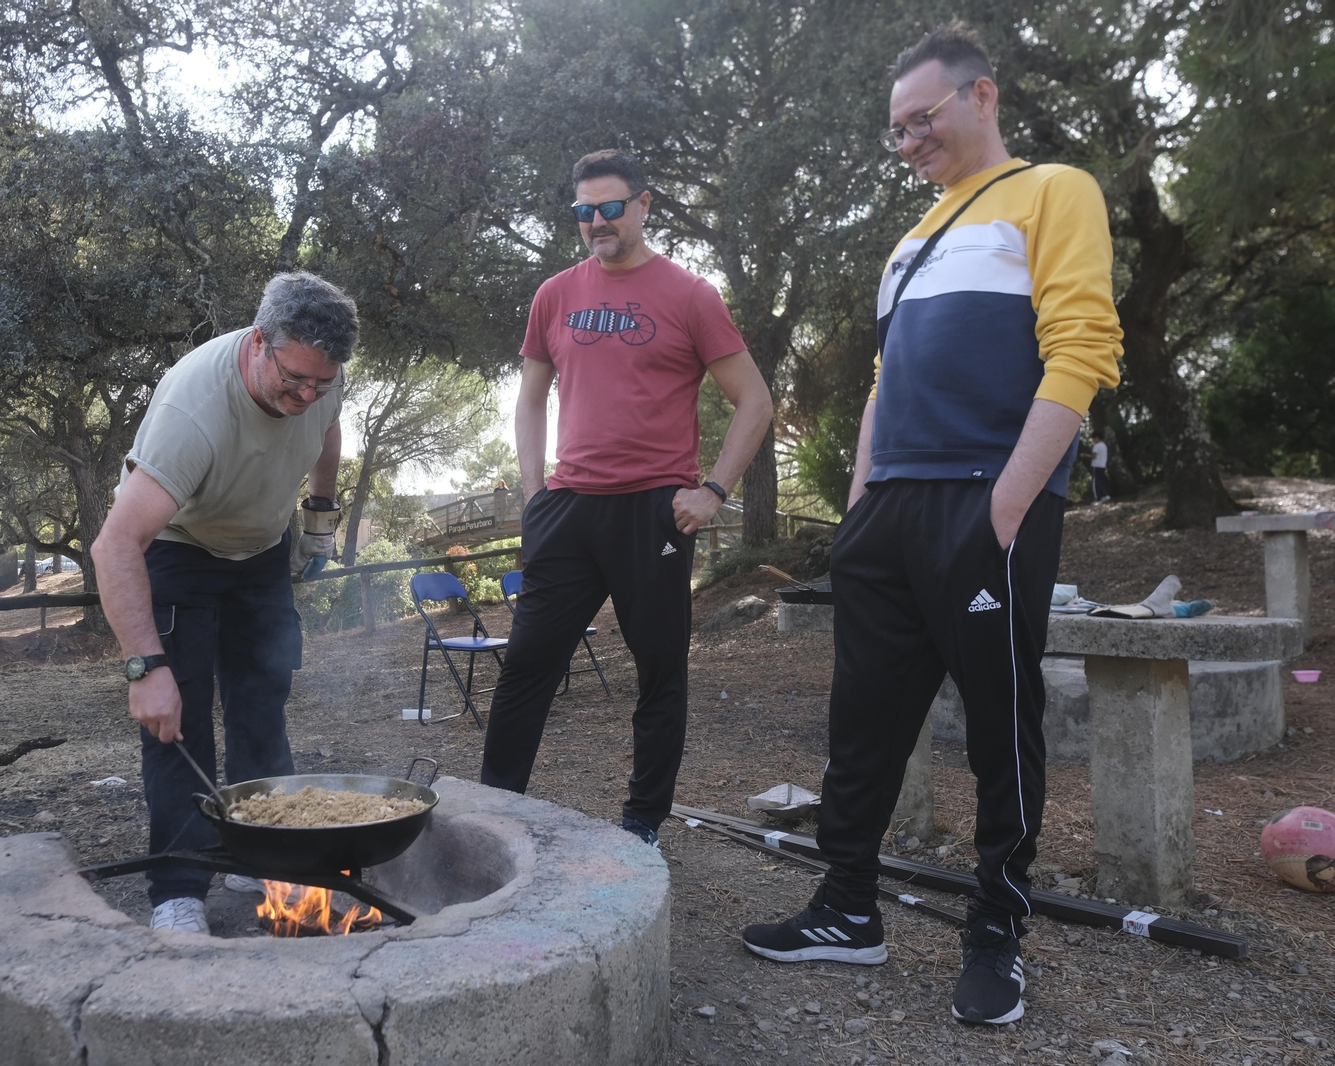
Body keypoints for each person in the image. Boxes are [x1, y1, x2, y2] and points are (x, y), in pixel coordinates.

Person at [740, 23, 1122, 1026]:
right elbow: (884, 381)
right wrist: (860, 506)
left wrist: (1006, 507)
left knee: (999, 727)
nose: (907, 142)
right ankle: (846, 909)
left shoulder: (1054, 190)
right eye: (896, 130)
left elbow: (1081, 349)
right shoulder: (910, 240)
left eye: (922, 119)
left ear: (981, 95)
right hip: (889, 511)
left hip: (986, 497)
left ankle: (995, 932)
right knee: (862, 725)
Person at [478, 149, 774, 848]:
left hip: (655, 513)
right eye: (584, 211)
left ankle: (642, 823)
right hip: (568, 510)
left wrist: (714, 490)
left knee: (660, 672)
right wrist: (534, 492)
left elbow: (755, 400)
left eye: (610, 207)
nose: (597, 222)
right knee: (526, 667)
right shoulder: (555, 294)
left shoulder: (691, 295)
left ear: (644, 205)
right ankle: (493, 813)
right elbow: (530, 400)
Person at [90, 272, 358, 933]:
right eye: (294, 379)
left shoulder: (322, 376)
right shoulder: (194, 413)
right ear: (259, 341)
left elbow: (328, 430)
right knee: (176, 721)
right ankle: (178, 889)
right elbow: (114, 545)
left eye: (320, 383)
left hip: (261, 549)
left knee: (262, 703)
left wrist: (319, 515)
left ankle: (264, 854)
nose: (307, 395)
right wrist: (144, 669)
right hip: (179, 548)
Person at [1089, 432, 1111, 502]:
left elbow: (1094, 456)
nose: (1093, 440)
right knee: (1101, 481)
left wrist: (1085, 455)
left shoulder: (1097, 446)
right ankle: (1104, 495)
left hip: (1096, 465)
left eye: (1094, 438)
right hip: (1102, 465)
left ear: (1097, 438)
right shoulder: (1104, 445)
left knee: (1095, 482)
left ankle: (1098, 498)